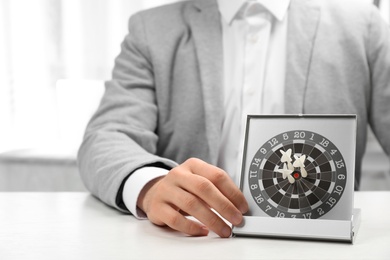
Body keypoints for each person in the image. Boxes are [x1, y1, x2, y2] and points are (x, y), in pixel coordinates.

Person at [78, 0, 390, 238]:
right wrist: (151, 184)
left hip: (325, 246)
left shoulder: (363, 26)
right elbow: (106, 136)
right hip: (192, 243)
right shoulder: (151, 30)